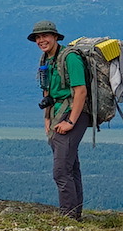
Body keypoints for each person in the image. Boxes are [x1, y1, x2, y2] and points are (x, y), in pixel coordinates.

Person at [31, 20, 89, 220]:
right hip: (57, 113)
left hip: (74, 113)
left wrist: (71, 122)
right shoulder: (46, 59)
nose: (41, 40)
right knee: (70, 166)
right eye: (38, 37)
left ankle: (68, 217)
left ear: (55, 37)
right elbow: (47, 91)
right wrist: (47, 117)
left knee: (61, 170)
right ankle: (75, 215)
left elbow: (80, 91)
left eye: (45, 35)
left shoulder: (70, 58)